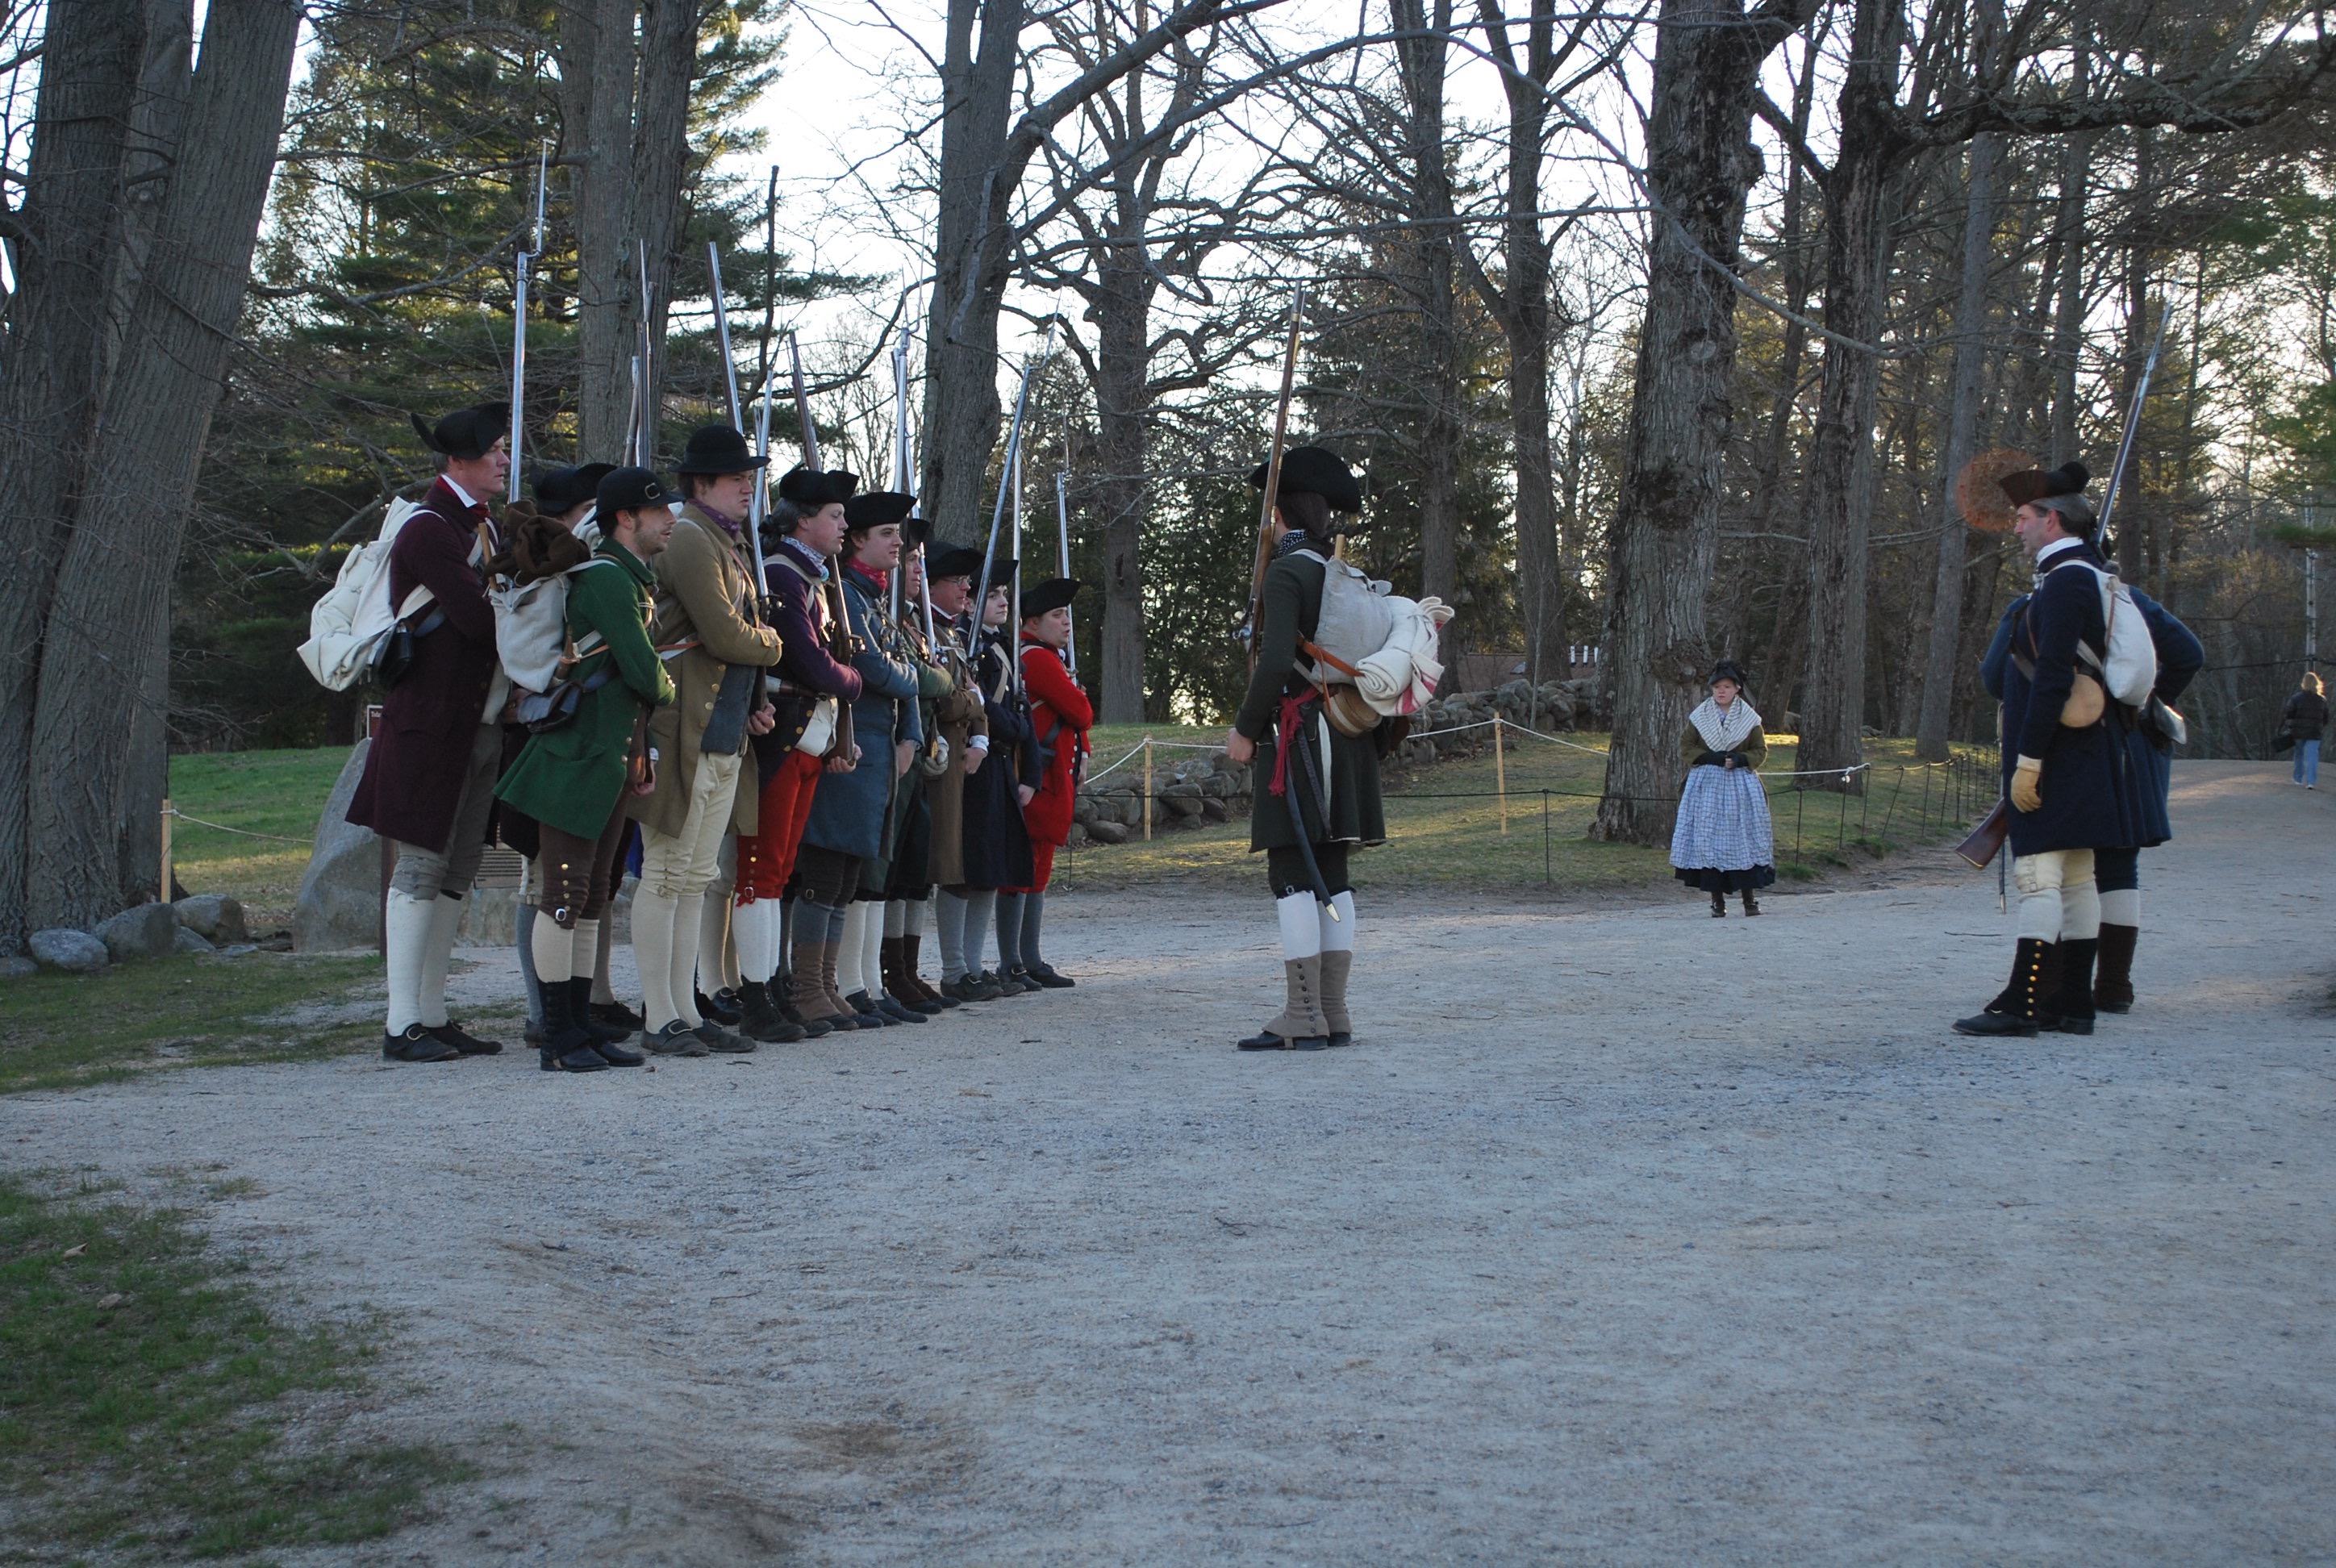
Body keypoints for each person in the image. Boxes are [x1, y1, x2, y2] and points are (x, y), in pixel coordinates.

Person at [493, 466, 678, 1071]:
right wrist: (666, 686)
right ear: (626, 518)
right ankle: (557, 1036)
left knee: (594, 896)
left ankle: (579, 1025)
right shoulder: (606, 580)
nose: (670, 523)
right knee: (565, 895)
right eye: (659, 513)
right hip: (577, 759)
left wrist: (641, 749)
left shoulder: (630, 580)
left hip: (607, 759)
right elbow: (645, 672)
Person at [348, 402, 514, 1064]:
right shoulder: (429, 529)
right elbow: (478, 622)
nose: (504, 460)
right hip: (430, 723)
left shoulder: (481, 526)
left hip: (473, 722)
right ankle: (400, 1023)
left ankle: (434, 1012)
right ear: (459, 461)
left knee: (458, 867)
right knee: (420, 866)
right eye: (495, 451)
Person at [1954, 461, 2142, 1039]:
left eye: (2024, 518)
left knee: (2039, 876)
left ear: (2052, 520)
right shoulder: (2085, 575)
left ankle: (2023, 1002)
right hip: (2086, 753)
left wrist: (2029, 762)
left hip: (2057, 754)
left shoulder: (2065, 581)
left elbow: (2054, 677)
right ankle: (2072, 1003)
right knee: (2081, 876)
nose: (2016, 529)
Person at [626, 424, 784, 1057]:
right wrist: (775, 645)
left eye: (748, 476)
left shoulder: (722, 540)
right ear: (700, 484)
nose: (747, 486)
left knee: (692, 877)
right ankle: (659, 1013)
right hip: (682, 729)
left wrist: (756, 700)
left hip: (720, 732)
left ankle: (685, 1009)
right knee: (665, 874)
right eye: (734, 477)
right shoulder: (691, 538)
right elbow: (725, 634)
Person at [1983, 571, 2203, 1015]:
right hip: (2135, 743)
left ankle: (2050, 986)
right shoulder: (2132, 601)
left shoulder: (2033, 606)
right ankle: (2115, 986)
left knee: (2062, 862)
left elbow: (1994, 678)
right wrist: (2140, 702)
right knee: (2120, 865)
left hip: (2074, 748)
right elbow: (2187, 654)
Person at [1224, 445, 1386, 1052]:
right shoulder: (1338, 571)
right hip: (1344, 737)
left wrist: (1245, 727)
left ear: (1282, 511)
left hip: (1299, 736)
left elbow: (1272, 666)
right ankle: (1333, 1013)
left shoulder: (1288, 572)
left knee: (1292, 873)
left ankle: (1303, 1013)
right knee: (1333, 874)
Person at [734, 465, 864, 1040]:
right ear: (804, 520)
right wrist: (852, 680)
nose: (843, 526)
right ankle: (756, 993)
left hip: (808, 733)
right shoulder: (785, 576)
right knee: (761, 871)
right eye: (835, 516)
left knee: (780, 870)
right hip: (785, 730)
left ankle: (774, 985)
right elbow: (811, 664)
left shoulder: (813, 577)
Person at [493, 462, 615, 1049]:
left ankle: (581, 1006)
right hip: (545, 737)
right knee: (543, 884)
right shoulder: (537, 570)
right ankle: (545, 1012)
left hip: (572, 732)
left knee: (577, 887)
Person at [793, 489, 925, 1032]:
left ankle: (829, 984)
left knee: (849, 875)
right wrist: (908, 675)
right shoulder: (846, 593)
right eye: (888, 534)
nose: (900, 543)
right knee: (828, 868)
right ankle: (809, 988)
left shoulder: (870, 600)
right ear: (861, 544)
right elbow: (879, 669)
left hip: (874, 748)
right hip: (852, 743)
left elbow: (899, 671)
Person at [878, 535, 976, 1015]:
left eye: (918, 560)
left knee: (915, 871)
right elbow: (947, 694)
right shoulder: (898, 622)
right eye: (911, 561)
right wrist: (955, 692)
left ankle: (904, 969)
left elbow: (961, 696)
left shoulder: (926, 630)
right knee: (889, 869)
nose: (913, 567)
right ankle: (882, 973)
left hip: (924, 753)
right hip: (903, 751)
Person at [950, 561, 1039, 998]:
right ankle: (959, 967)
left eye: (1004, 593)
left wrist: (1030, 763)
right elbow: (993, 712)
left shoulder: (1001, 646)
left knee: (993, 866)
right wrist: (1015, 727)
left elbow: (1022, 714)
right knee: (973, 865)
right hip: (979, 763)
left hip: (1003, 762)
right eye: (993, 594)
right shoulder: (970, 647)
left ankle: (976, 962)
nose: (1003, 601)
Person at [999, 577, 1092, 987]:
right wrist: (1079, 699)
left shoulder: (1051, 658)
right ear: (1032, 623)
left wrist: (1085, 748)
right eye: (1057, 615)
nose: (1066, 623)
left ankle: (1030, 957)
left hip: (1054, 778)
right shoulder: (1035, 658)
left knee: (1039, 868)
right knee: (1023, 868)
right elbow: (1081, 710)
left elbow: (1079, 721)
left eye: (1066, 615)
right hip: (1039, 778)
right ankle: (1014, 960)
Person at [924, 548, 1004, 1002]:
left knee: (979, 865)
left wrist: (980, 741)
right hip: (943, 760)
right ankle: (955, 969)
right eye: (956, 580)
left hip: (968, 758)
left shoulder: (953, 635)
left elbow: (972, 700)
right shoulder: (930, 631)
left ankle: (969, 967)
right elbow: (952, 701)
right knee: (948, 865)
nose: (966, 589)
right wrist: (974, 706)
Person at [1668, 661, 1775, 917]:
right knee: (1710, 839)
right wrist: (1709, 757)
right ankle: (1717, 900)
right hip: (1707, 785)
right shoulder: (1701, 717)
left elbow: (1760, 750)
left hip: (1740, 785)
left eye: (1726, 686)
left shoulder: (1749, 720)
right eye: (1717, 687)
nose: (1721, 691)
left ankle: (1749, 898)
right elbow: (1686, 746)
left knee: (1743, 838)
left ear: (1737, 689)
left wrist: (1740, 759)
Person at [2284, 673, 2327, 788]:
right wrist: (2319, 726)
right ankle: (2311, 782)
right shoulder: (2321, 700)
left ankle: (2298, 778)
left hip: (2299, 730)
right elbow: (2326, 717)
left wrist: (2291, 723)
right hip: (2315, 731)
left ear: (2304, 683)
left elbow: (2289, 713)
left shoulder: (2296, 698)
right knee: (2312, 755)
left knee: (2299, 754)